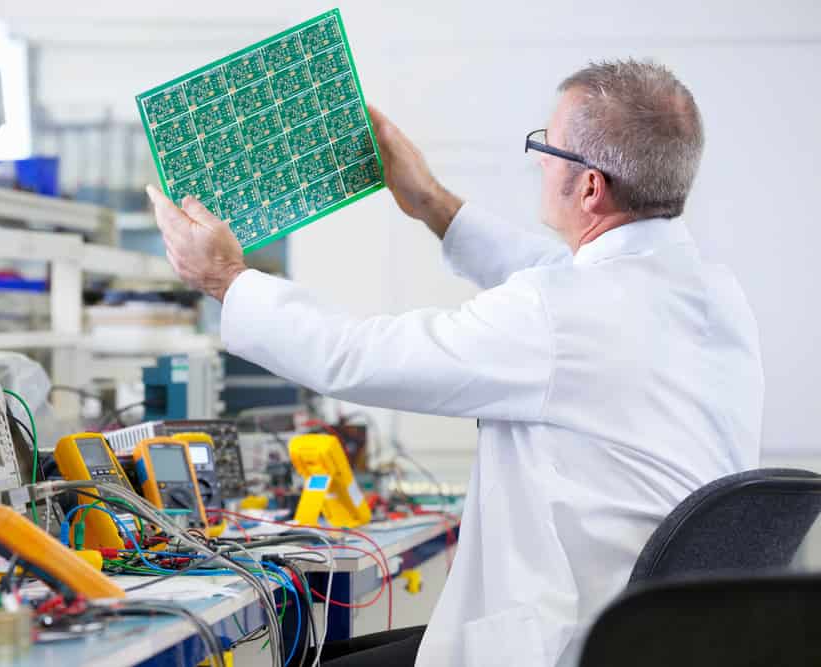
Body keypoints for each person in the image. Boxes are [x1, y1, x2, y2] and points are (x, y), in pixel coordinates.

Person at [146, 59, 763, 667]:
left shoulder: (559, 314)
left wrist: (227, 278)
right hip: (660, 640)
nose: (541, 160)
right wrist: (430, 201)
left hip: (570, 644)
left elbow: (356, 357)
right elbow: (555, 282)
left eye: (548, 147)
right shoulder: (713, 294)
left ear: (590, 187)